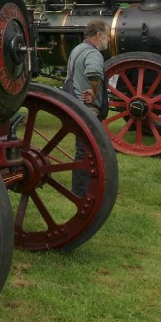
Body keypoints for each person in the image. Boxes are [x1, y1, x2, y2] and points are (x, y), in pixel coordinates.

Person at [65, 19, 110, 196]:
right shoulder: (93, 54)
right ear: (99, 35)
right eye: (106, 35)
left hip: (76, 105)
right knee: (87, 152)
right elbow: (94, 73)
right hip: (87, 108)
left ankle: (81, 189)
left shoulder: (77, 49)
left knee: (83, 150)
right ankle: (82, 191)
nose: (108, 39)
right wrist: (93, 91)